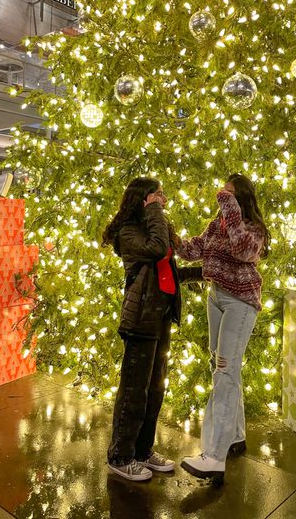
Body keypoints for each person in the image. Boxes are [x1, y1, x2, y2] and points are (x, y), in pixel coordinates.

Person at [102, 176, 201, 482]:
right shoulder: (128, 232)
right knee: (134, 390)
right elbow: (157, 250)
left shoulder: (151, 227)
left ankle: (143, 450)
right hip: (140, 319)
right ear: (143, 200)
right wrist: (154, 212)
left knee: (155, 389)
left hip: (160, 316)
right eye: (158, 195)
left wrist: (201, 272)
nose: (164, 199)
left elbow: (166, 272)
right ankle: (120, 456)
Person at [176, 173, 270, 485]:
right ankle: (236, 437)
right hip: (216, 296)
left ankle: (213, 456)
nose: (222, 197)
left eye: (229, 195)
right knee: (225, 368)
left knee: (224, 372)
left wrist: (231, 209)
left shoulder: (253, 229)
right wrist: (174, 240)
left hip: (241, 302)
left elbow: (244, 250)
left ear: (241, 199)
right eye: (222, 194)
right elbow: (196, 249)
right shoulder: (217, 224)